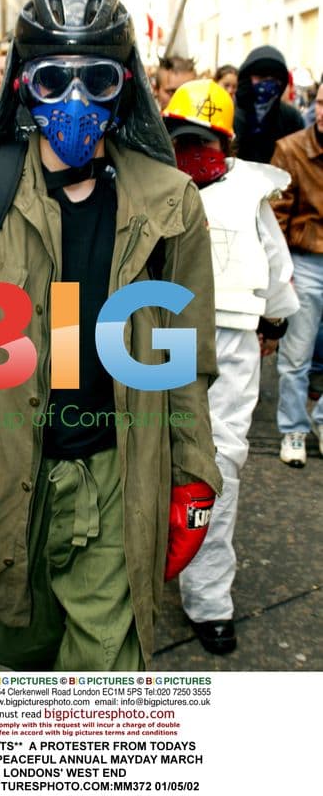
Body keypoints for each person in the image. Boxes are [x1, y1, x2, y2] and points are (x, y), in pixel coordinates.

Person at [0, 0, 222, 672]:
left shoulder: (171, 205)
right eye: (53, 79)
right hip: (4, 469)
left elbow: (184, 362)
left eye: (96, 79)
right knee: (19, 652)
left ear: (124, 86)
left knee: (104, 683)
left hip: (114, 473)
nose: (74, 102)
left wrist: (194, 475)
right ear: (24, 85)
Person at [162, 79, 299, 653]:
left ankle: (209, 597)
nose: (193, 151)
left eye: (202, 140)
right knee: (144, 454)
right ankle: (137, 578)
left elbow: (272, 260)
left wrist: (275, 318)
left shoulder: (246, 191)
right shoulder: (145, 182)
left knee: (217, 469)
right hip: (156, 333)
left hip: (230, 342)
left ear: (227, 139)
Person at [270, 81, 323, 465]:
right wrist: (282, 270)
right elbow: (276, 216)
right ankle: (293, 430)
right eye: (321, 103)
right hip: (305, 260)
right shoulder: (290, 149)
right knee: (296, 354)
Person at [234, 45, 304, 163]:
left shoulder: (291, 118)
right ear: (247, 77)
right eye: (261, 76)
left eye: (275, 78)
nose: (268, 83)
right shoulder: (231, 113)